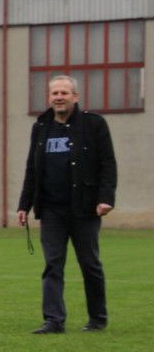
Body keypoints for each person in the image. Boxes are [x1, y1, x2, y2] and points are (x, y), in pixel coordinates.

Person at [17, 75, 117, 334]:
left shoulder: (94, 125)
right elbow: (32, 168)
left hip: (84, 208)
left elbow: (107, 164)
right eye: (54, 93)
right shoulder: (41, 127)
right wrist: (24, 205)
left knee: (90, 264)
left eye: (64, 93)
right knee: (53, 264)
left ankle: (97, 318)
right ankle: (53, 320)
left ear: (75, 97)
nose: (59, 97)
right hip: (51, 210)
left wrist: (106, 198)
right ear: (49, 98)